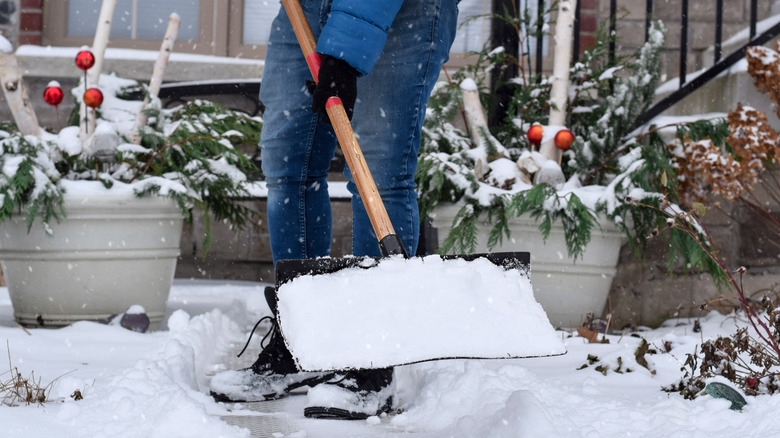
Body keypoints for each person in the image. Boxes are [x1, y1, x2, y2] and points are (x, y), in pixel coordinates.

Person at [210, 0, 459, 420]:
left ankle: (371, 354)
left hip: (403, 10)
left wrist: (345, 52)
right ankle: (302, 336)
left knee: (379, 165)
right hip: (305, 8)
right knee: (289, 160)